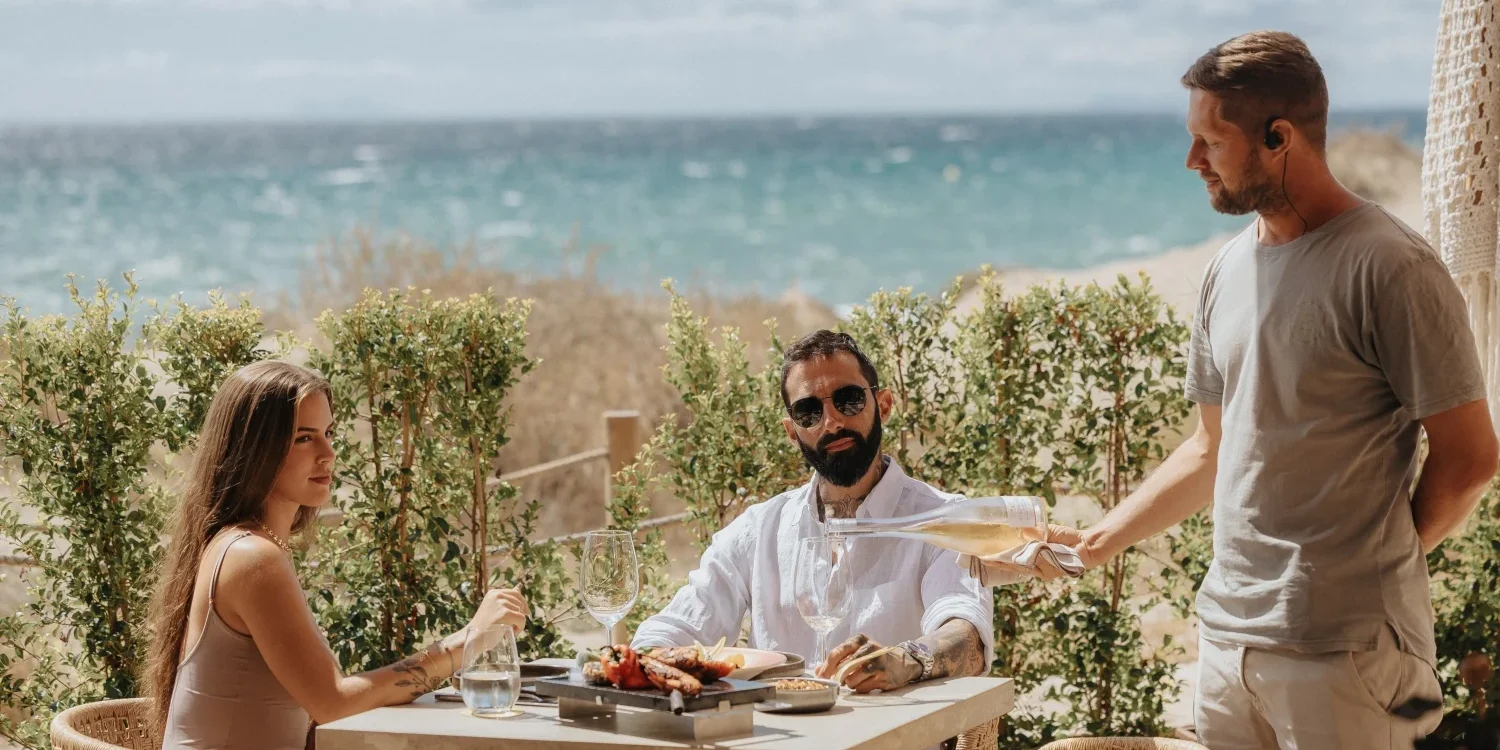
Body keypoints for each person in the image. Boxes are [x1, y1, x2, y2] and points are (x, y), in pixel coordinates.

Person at [985, 31, 1500, 750]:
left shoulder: (1392, 267)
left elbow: (1470, 457)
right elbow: (1209, 448)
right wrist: (1095, 543)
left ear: (1278, 136)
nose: (1192, 161)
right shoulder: (1227, 269)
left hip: (1348, 655)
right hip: (1227, 646)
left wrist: (1380, 559)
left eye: (1209, 142)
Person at [144, 360, 529, 749]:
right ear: (255, 449)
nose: (328, 453)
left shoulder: (247, 546)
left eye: (328, 433)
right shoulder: (251, 557)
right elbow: (334, 703)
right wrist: (471, 640)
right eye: (304, 438)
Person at [632, 330, 994, 695]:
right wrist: (640, 660)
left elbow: (967, 637)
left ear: (883, 405)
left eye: (848, 400)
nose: (831, 422)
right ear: (792, 431)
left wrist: (908, 659)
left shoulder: (945, 520)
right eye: (809, 411)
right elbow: (678, 628)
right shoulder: (759, 531)